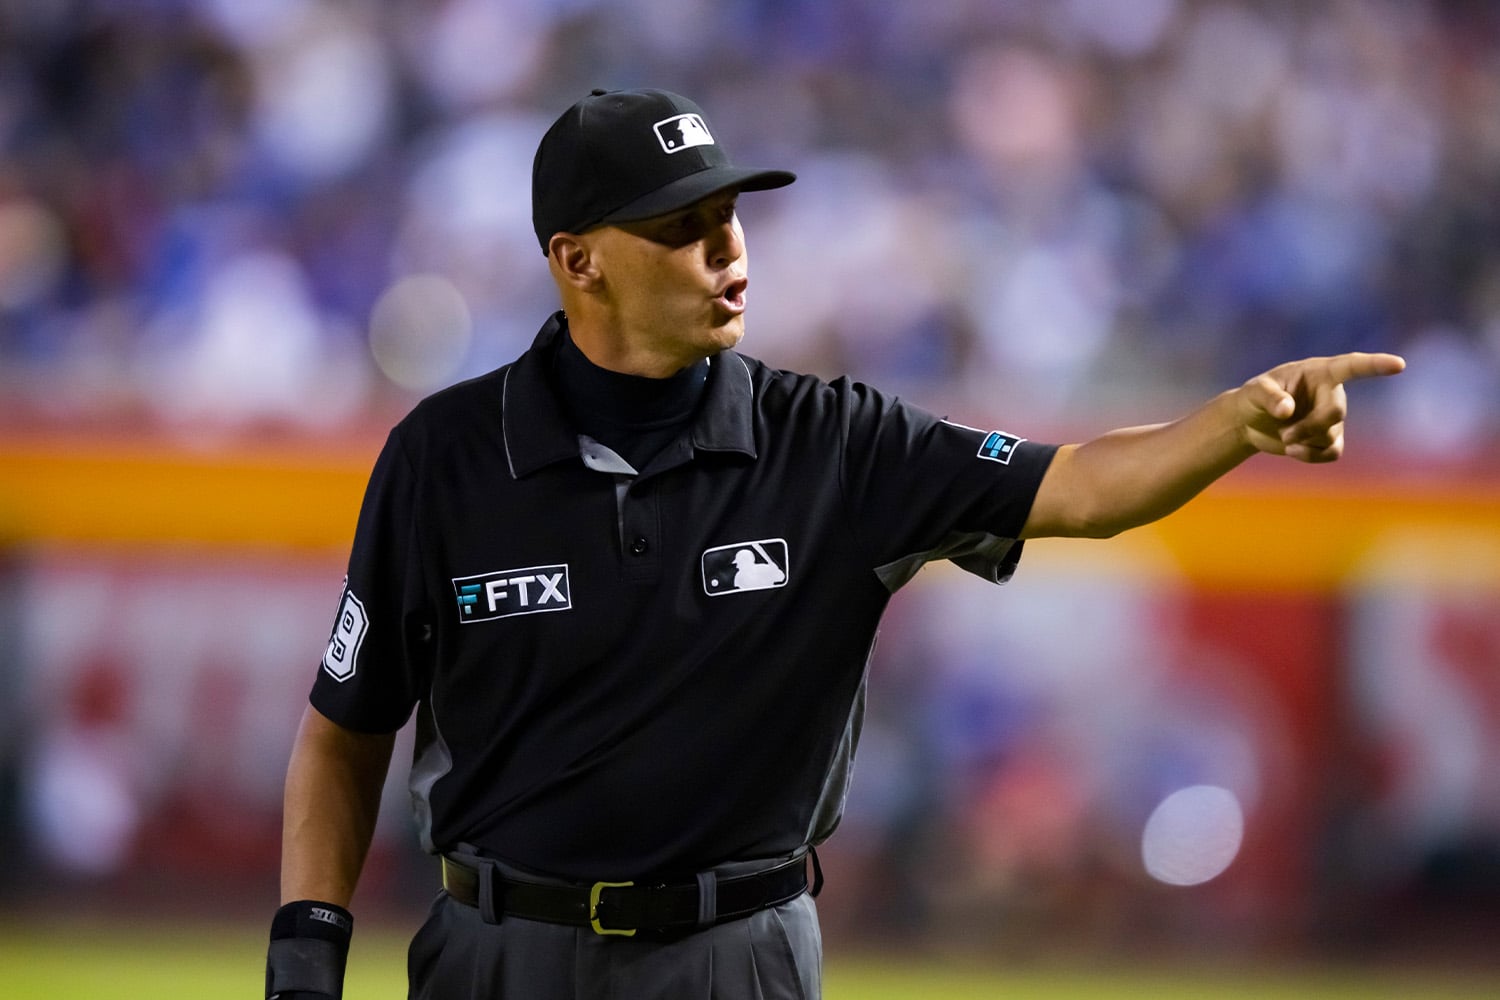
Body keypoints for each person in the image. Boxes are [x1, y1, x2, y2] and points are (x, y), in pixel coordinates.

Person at [264, 88, 1405, 1000]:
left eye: (730, 215)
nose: (727, 249)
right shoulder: (445, 458)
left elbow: (1083, 486)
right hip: (495, 953)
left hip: (736, 957)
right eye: (681, 228)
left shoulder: (835, 444)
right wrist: (308, 947)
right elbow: (345, 731)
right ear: (579, 261)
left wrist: (1235, 423)